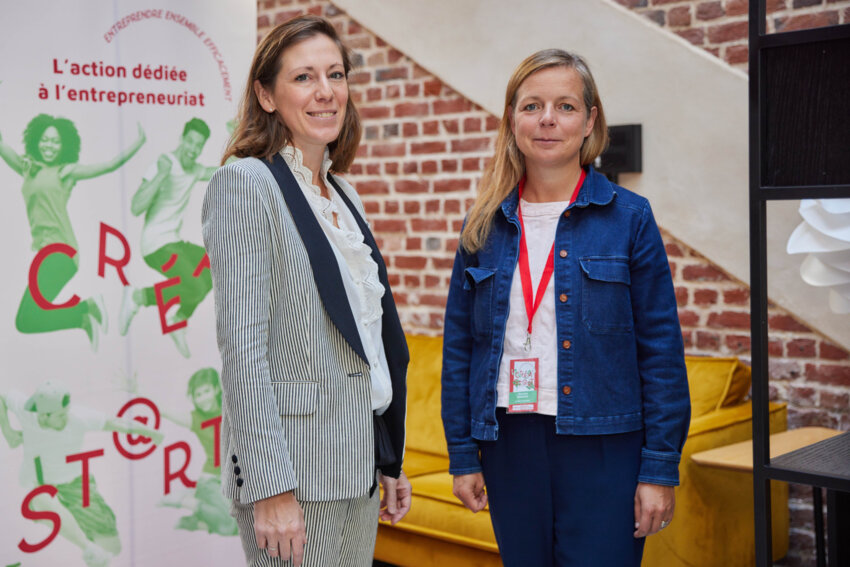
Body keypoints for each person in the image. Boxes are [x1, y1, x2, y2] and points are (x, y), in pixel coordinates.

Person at [441, 49, 691, 566]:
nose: (548, 120)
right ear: (512, 120)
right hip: (510, 443)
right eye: (532, 106)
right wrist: (463, 455)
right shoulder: (482, 226)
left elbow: (661, 352)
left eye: (565, 106)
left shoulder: (629, 218)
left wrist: (659, 468)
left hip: (606, 446)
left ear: (590, 121)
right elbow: (459, 349)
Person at [201, 15, 411, 567]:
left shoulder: (345, 194)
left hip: (359, 462)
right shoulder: (247, 183)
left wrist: (389, 458)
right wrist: (270, 488)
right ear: (265, 95)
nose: (326, 92)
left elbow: (366, 336)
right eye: (304, 77)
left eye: (336, 74)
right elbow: (243, 349)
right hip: (295, 473)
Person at [0, 115, 145, 351]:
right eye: (45, 140)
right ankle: (82, 316)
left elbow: (109, 165)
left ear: (64, 145)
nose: (49, 146)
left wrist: (139, 142)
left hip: (61, 251)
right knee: (25, 320)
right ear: (36, 141)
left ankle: (88, 308)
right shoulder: (28, 168)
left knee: (27, 318)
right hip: (43, 253)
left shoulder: (65, 172)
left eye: (55, 142)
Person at [0, 381, 163, 567]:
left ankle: (80, 529)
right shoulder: (25, 410)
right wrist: (8, 432)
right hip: (41, 483)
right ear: (44, 415)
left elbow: (115, 422)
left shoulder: (78, 416)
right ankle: (88, 549)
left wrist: (151, 432)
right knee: (39, 498)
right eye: (61, 416)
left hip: (75, 483)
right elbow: (2, 397)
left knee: (113, 548)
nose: (66, 418)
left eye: (67, 412)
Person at [119, 118, 217, 358]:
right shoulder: (164, 163)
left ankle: (177, 318)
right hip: (155, 246)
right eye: (190, 142)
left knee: (213, 269)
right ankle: (139, 297)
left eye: (198, 145)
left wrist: (241, 144)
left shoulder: (194, 170)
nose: (193, 149)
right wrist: (160, 176)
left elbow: (220, 170)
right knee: (193, 287)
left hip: (174, 243)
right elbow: (135, 207)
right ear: (182, 139)